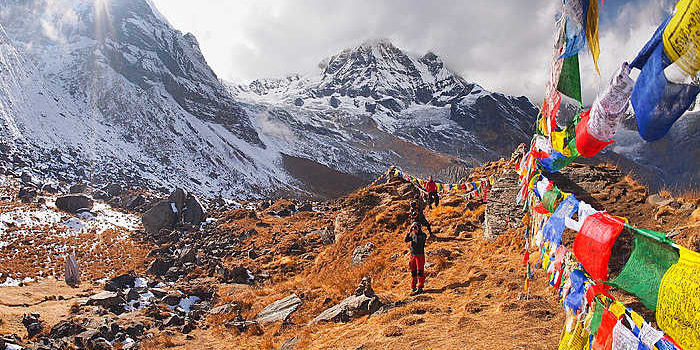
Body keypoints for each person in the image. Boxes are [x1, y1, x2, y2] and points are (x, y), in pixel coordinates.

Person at [405, 222, 428, 295]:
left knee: (420, 272)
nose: (414, 229)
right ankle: (413, 287)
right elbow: (406, 240)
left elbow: (418, 242)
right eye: (413, 227)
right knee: (413, 272)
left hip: (420, 255)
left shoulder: (423, 235)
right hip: (413, 255)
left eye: (415, 227)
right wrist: (409, 231)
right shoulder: (412, 235)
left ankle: (420, 287)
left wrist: (417, 232)